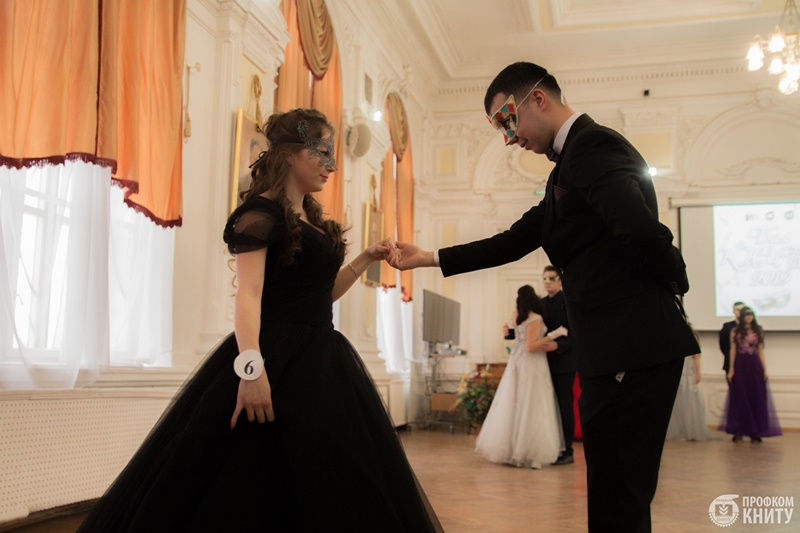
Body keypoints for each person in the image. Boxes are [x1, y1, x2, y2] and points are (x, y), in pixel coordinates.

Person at [78, 109, 442, 532]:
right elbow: (249, 296)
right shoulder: (260, 214)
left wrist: (364, 258)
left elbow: (321, 295)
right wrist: (251, 369)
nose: (330, 164)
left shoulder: (314, 219)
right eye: (321, 152)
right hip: (274, 356)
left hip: (322, 358)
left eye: (332, 154)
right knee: (253, 476)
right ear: (289, 154)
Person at [388, 61, 699, 533]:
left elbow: (641, 231)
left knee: (622, 492)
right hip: (611, 347)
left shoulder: (591, 145)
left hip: (631, 345)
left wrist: (674, 285)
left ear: (538, 98)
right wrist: (429, 257)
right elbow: (512, 241)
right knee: (613, 492)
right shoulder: (564, 170)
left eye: (507, 121)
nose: (508, 138)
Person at [477, 285, 563, 469]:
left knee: (514, 403)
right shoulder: (535, 318)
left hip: (516, 362)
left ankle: (510, 449)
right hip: (532, 364)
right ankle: (529, 452)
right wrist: (554, 335)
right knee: (533, 404)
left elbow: (519, 339)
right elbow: (531, 346)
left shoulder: (515, 315)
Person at [718, 307, 782, 443]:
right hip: (740, 364)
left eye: (751, 314)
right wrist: (731, 369)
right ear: (742, 317)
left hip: (754, 364)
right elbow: (732, 350)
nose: (749, 317)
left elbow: (760, 350)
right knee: (740, 396)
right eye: (746, 315)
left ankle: (755, 431)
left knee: (755, 395)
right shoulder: (735, 331)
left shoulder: (758, 330)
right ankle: (739, 430)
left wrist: (765, 369)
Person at [538, 265, 577, 465]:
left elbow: (576, 332)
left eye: (551, 278)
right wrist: (510, 333)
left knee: (564, 406)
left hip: (564, 363)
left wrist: (558, 345)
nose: (547, 282)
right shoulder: (540, 303)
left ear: (560, 281)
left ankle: (567, 449)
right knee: (547, 406)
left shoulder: (569, 301)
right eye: (544, 278)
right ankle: (551, 446)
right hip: (542, 363)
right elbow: (531, 327)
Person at [666, 328, 709, 441]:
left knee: (690, 401)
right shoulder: (677, 338)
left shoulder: (691, 338)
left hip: (689, 374)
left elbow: (696, 357)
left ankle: (691, 430)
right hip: (680, 373)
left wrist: (698, 373)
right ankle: (679, 430)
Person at [718, 301, 746, 384]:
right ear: (733, 311)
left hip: (747, 362)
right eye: (737, 310)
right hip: (731, 362)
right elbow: (723, 344)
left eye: (742, 310)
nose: (740, 312)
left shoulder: (750, 326)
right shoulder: (727, 326)